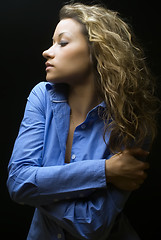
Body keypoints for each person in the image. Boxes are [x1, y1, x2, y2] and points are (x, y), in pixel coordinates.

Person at [7, 2, 158, 240]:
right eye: (52, 42)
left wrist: (37, 188)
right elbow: (17, 183)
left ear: (97, 50)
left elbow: (92, 226)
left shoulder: (133, 122)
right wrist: (105, 171)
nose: (47, 51)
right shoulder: (41, 97)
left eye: (62, 42)